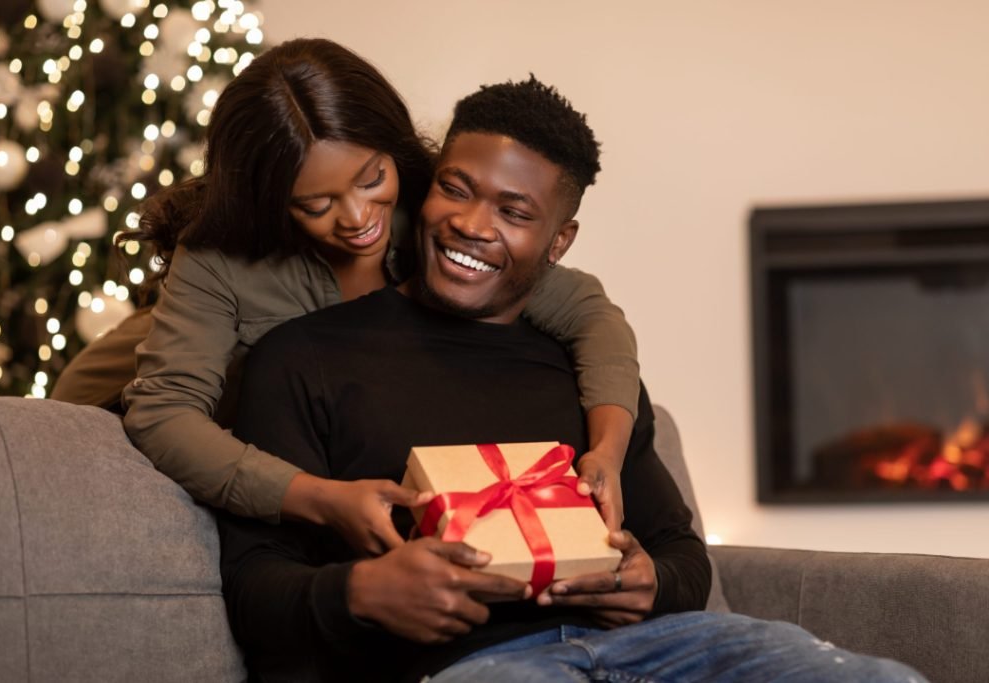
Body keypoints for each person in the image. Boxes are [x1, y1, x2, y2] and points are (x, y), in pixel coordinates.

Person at [218, 77, 926, 683]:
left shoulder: (585, 371)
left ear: (559, 242)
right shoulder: (302, 358)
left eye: (514, 212)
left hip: (653, 651)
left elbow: (678, 551)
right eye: (455, 190)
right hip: (471, 666)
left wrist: (647, 582)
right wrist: (362, 591)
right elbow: (254, 587)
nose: (469, 224)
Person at [48, 38, 640, 551]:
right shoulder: (215, 258)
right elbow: (163, 411)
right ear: (271, 198)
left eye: (370, 179)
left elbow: (588, 312)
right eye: (316, 204)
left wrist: (607, 453)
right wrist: (318, 497)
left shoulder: (434, 215)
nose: (358, 219)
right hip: (104, 384)